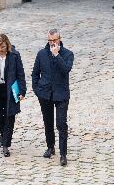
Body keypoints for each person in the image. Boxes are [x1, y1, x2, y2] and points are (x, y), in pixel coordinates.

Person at [31, 29, 74, 166]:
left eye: (54, 40)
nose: (52, 43)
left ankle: (63, 154)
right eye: (50, 41)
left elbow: (66, 69)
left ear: (59, 39)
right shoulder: (42, 54)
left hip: (61, 94)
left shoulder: (68, 54)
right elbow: (35, 74)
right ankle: (50, 147)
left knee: (61, 123)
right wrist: (37, 90)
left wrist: (56, 56)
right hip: (45, 94)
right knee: (47, 122)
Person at [0, 34, 27, 157]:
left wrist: (22, 91)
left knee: (9, 116)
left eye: (2, 46)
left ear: (7, 44)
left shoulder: (14, 55)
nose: (0, 49)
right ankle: (4, 135)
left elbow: (20, 74)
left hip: (11, 89)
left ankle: (6, 145)